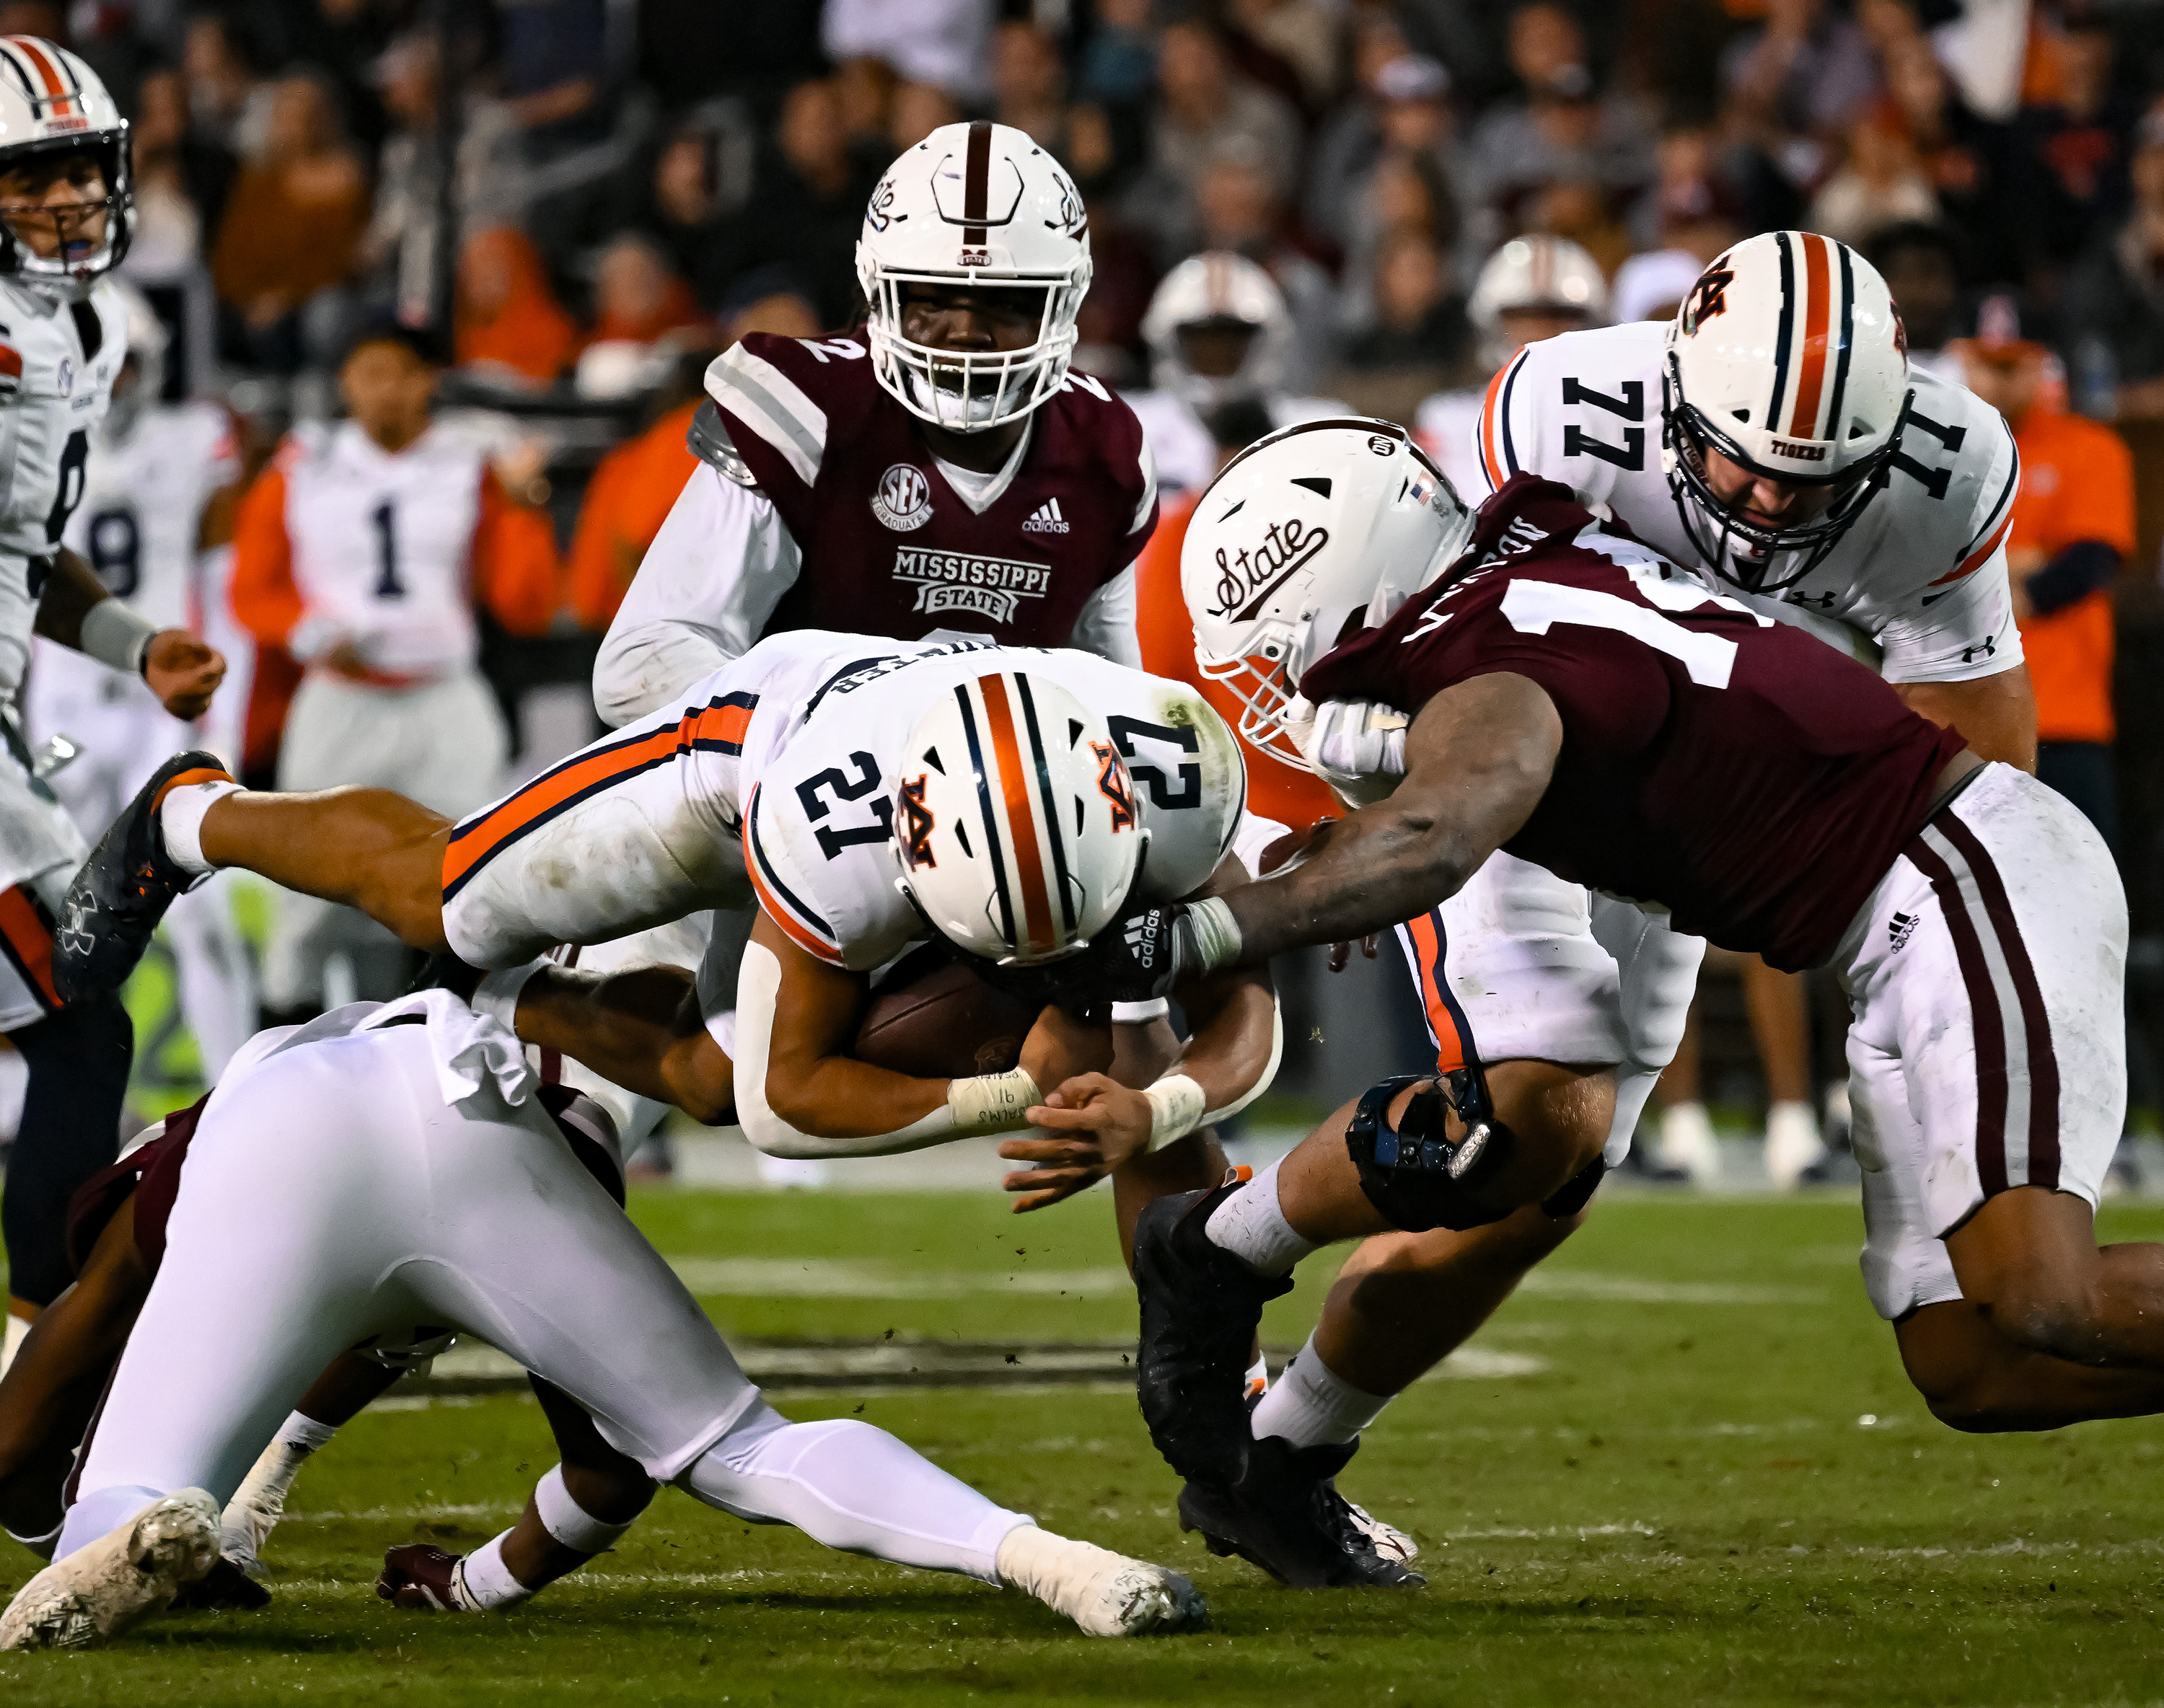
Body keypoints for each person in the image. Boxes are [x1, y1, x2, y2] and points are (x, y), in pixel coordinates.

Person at [1095, 441, 2137, 1588]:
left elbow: (1441, 833)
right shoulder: (1532, 569)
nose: (1290, 681)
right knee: (1977, 1370)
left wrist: (1205, 927)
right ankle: (1258, 1392)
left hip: (1956, 879)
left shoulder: (1486, 656)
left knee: (2044, 1297)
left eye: (1287, 644)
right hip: (1889, 928)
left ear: (1355, 585)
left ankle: (1217, 1257)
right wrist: (1345, 851)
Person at [0, 989, 1205, 1649]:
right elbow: (612, 1464)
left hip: (295, 1112)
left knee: (131, 1480)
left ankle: (100, 1535)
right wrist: (477, 1581)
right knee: (734, 1441)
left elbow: (104, 1298)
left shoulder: (220, 1132)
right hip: (501, 1129)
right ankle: (1055, 1560)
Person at [592, 120, 1156, 733]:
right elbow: (639, 667)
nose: (966, 331)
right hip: (787, 808)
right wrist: (850, 735)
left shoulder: (1105, 450)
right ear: (878, 292)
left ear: (1066, 305)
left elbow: (1115, 713)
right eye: (933, 297)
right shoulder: (804, 409)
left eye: (1008, 300)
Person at [0, 38, 225, 1378]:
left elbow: (27, 556)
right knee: (83, 1017)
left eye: (86, 167)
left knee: (84, 1021)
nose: (75, 196)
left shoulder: (82, 326)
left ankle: (42, 1364)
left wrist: (134, 644)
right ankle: (43, 1368)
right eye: (37, 175)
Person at [225, 318, 559, 1020]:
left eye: (400, 372)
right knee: (306, 900)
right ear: (344, 382)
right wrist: (305, 629)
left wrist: (528, 500)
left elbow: (526, 604)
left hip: (445, 700)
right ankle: (285, 1072)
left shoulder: (472, 461)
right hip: (340, 701)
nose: (384, 390)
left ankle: (452, 1061)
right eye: (369, 372)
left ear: (427, 381)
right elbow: (250, 588)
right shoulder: (303, 462)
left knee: (472, 889)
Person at [23, 284, 253, 1078]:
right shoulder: (27, 443)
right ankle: (44, 1098)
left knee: (204, 910)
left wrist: (223, 713)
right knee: (43, 906)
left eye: (126, 364)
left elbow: (226, 593)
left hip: (165, 714)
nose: (113, 381)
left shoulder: (195, 439)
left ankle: (234, 1086)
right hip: (64, 717)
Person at [1123, 252, 1346, 499]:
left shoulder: (1318, 429)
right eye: (1203, 340)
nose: (1217, 353)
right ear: (1170, 342)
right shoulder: (1130, 428)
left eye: (1231, 339)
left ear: (1265, 342)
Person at [1413, 233, 1606, 500]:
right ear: (1492, 324)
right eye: (1523, 317)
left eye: (1558, 316)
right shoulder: (1447, 420)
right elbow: (1429, 507)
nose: (1540, 332)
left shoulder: (1613, 415)